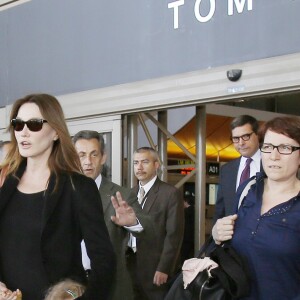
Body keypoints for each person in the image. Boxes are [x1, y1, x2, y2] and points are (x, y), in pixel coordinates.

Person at [0, 94, 115, 300]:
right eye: (18, 124)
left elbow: (104, 260)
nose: (23, 132)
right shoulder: (5, 183)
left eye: (34, 124)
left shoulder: (78, 187)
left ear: (55, 132)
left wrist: (80, 297)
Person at [212, 116, 300, 299]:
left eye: (285, 148)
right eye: (267, 147)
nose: (273, 156)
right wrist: (217, 234)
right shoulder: (248, 189)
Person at [73, 130, 152, 300]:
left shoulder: (121, 194)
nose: (88, 161)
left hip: (111, 288)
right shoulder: (61, 193)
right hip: (71, 287)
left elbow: (150, 227)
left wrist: (133, 222)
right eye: (82, 155)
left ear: (103, 157)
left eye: (94, 154)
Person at [127, 146, 184, 300]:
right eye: (135, 162)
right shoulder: (129, 194)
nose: (139, 167)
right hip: (129, 269)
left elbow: (174, 235)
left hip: (155, 269)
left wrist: (164, 268)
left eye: (144, 162)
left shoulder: (170, 194)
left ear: (156, 165)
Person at [214, 115, 261, 222]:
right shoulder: (226, 170)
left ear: (258, 134)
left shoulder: (272, 163)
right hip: (232, 236)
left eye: (246, 136)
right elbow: (220, 211)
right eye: (236, 138)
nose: (241, 143)